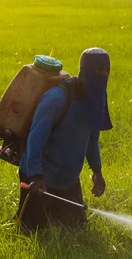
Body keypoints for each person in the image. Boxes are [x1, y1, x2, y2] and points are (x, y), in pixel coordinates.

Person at [16, 48, 113, 232]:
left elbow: (92, 139)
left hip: (67, 178)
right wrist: (35, 176)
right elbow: (34, 141)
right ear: (84, 71)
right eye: (98, 71)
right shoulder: (57, 99)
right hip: (40, 176)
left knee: (77, 231)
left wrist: (97, 172)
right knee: (32, 231)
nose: (103, 76)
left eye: (106, 71)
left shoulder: (97, 99)